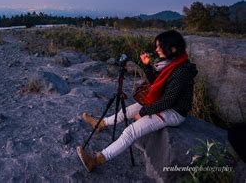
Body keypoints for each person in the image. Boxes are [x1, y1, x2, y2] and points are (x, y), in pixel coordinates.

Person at [76, 30, 198, 172]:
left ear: (173, 49)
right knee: (126, 111)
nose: (156, 49)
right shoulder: (171, 63)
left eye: (160, 47)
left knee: (130, 131)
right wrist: (146, 65)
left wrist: (144, 111)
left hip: (174, 112)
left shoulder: (181, 71)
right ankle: (101, 124)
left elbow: (168, 101)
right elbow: (155, 83)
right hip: (163, 103)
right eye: (157, 46)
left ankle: (96, 161)